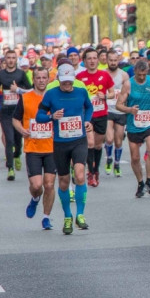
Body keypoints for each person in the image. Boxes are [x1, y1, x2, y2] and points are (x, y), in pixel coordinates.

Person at [36, 63, 94, 235]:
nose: (68, 85)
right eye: (65, 82)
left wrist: (88, 120)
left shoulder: (81, 92)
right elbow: (39, 116)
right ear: (59, 79)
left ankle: (80, 215)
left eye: (70, 82)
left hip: (79, 140)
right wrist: (51, 117)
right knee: (63, 181)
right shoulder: (51, 94)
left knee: (80, 174)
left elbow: (89, 107)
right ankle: (68, 216)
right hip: (61, 142)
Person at [13, 67, 57, 231]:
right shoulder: (25, 98)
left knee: (50, 184)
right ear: (34, 79)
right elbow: (15, 120)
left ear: (48, 79)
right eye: (38, 78)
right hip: (32, 147)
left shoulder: (54, 97)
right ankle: (35, 199)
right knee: (37, 186)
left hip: (52, 147)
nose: (41, 80)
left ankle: (46, 218)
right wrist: (21, 130)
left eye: (44, 77)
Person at [115, 58, 150, 198]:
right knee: (135, 158)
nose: (141, 77)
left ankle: (149, 180)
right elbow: (119, 105)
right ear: (134, 71)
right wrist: (129, 110)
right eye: (139, 75)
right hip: (134, 124)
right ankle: (140, 183)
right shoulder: (128, 84)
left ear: (147, 72)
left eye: (144, 74)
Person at [76, 47, 115, 187]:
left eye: (94, 58)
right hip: (87, 115)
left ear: (98, 60)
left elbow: (112, 93)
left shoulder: (104, 75)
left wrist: (104, 96)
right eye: (89, 58)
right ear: (84, 61)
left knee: (98, 145)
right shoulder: (79, 77)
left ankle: (96, 170)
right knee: (90, 143)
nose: (92, 61)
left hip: (101, 114)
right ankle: (91, 172)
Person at [0, 49, 32, 181]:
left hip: (19, 111)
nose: (10, 60)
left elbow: (31, 90)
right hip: (5, 111)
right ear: (5, 59)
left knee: (18, 140)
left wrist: (17, 90)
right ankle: (10, 168)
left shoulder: (21, 74)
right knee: (9, 139)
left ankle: (17, 155)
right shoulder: (0, 74)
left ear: (16, 60)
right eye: (8, 58)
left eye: (13, 58)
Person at [104, 50, 129, 177]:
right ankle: (109, 158)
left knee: (118, 141)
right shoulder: (103, 74)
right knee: (109, 138)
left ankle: (117, 163)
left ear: (118, 61)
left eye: (115, 60)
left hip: (120, 110)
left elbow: (127, 93)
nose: (113, 62)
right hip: (107, 110)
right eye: (111, 60)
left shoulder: (124, 75)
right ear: (107, 60)